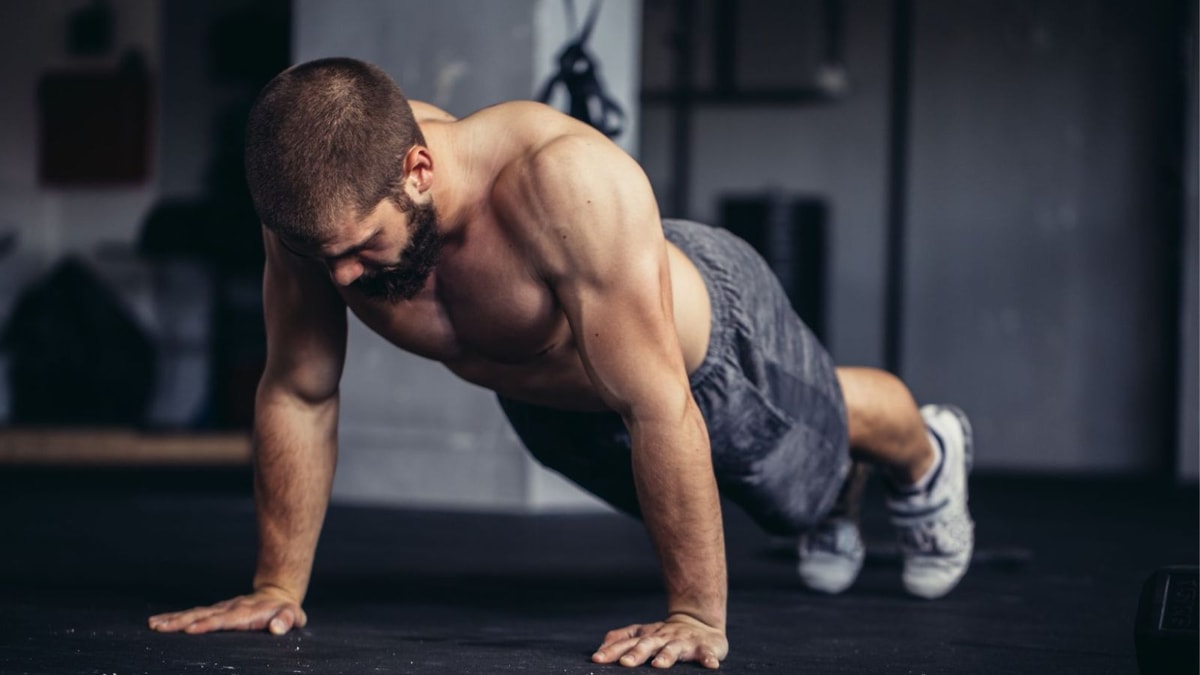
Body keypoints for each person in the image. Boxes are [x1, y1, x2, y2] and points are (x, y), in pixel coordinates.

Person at [147, 57, 974, 670]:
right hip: (556, 404)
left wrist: (693, 614)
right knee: (777, 498)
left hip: (709, 346)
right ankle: (830, 496)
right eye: (324, 257)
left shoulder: (561, 183)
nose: (342, 280)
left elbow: (660, 406)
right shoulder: (322, 210)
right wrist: (275, 587)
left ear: (419, 170)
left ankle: (926, 452)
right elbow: (298, 388)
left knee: (811, 454)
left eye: (362, 250)